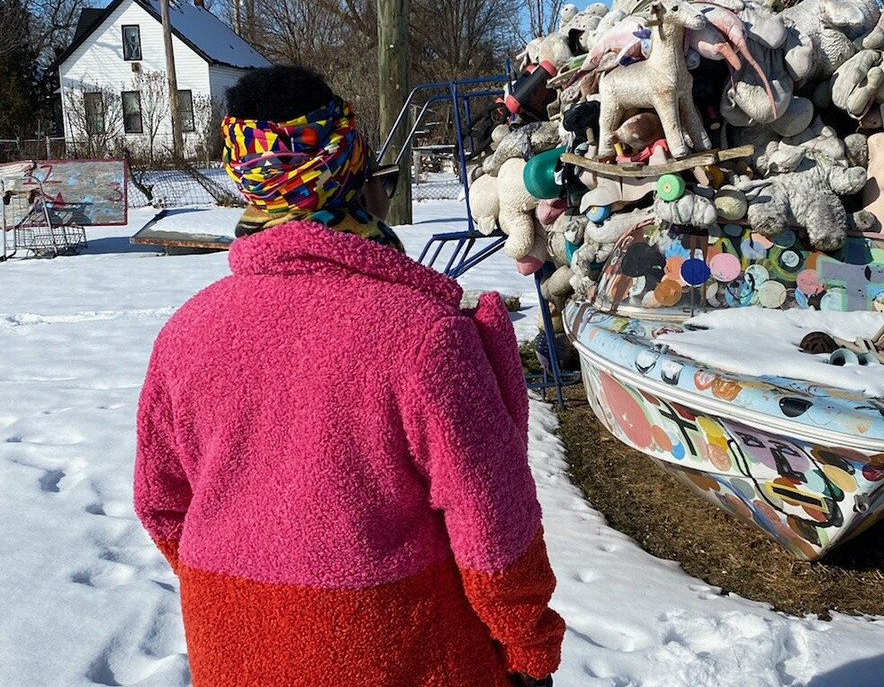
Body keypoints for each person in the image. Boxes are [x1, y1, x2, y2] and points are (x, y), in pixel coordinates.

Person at [134, 65, 565, 687]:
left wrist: (253, 601)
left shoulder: (186, 334)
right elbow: (493, 527)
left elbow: (163, 503)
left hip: (231, 647)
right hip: (401, 652)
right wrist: (529, 651)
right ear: (355, 181)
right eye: (379, 178)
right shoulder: (422, 336)